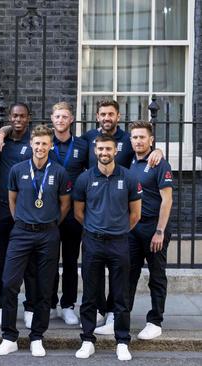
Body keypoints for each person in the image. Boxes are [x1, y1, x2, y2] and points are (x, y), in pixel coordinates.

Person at [82, 99, 163, 334]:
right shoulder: (87, 138)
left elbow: (144, 147)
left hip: (128, 219)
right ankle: (104, 312)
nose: (107, 118)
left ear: (118, 116)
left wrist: (158, 150)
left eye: (111, 114)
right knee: (106, 272)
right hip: (97, 216)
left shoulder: (128, 141)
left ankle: (151, 321)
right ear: (97, 116)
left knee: (139, 274)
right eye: (103, 114)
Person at [0, 125, 70, 357]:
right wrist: (23, 222)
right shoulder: (17, 170)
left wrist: (51, 223)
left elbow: (65, 204)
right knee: (9, 283)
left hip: (48, 234)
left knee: (44, 287)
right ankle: (9, 337)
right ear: (31, 145)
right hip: (22, 232)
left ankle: (37, 336)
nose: (40, 147)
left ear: (50, 146)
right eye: (37, 143)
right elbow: (12, 200)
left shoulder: (59, 172)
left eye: (45, 143)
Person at [72, 134, 142, 361]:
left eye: (108, 149)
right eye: (100, 149)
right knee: (90, 294)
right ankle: (87, 340)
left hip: (119, 242)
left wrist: (117, 230)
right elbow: (78, 213)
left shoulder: (129, 178)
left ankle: (122, 341)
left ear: (115, 151)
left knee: (121, 296)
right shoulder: (84, 179)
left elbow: (135, 215)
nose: (104, 153)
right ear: (95, 151)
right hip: (92, 242)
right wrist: (96, 229)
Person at [0, 103, 36, 327]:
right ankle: (1, 306)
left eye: (22, 116)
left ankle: (30, 307)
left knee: (29, 263)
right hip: (2, 210)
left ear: (28, 119)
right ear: (10, 117)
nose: (18, 119)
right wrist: (1, 132)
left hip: (27, 213)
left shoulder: (34, 142)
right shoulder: (2, 142)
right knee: (2, 262)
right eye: (14, 116)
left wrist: (3, 129)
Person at [127, 121, 173, 340]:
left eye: (142, 137)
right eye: (135, 137)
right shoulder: (131, 162)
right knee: (128, 275)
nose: (138, 141)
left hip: (154, 228)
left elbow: (167, 200)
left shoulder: (159, 163)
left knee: (156, 276)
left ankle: (155, 321)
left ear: (151, 140)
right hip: (133, 228)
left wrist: (160, 231)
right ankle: (121, 318)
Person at [46, 102, 88, 325]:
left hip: (73, 213)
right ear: (51, 119)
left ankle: (68, 304)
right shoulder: (44, 143)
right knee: (49, 260)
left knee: (71, 261)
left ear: (71, 119)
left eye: (64, 117)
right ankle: (50, 303)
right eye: (57, 116)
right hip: (49, 212)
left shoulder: (83, 145)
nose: (60, 120)